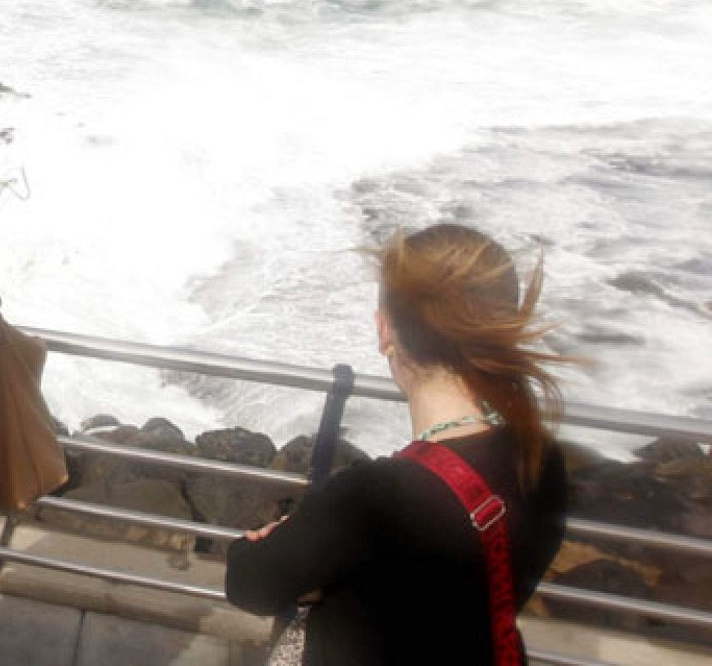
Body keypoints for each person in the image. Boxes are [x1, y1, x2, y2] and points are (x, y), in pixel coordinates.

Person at [225, 224, 569, 666]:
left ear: (384, 330)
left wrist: (287, 550)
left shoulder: (377, 497)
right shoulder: (540, 459)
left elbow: (249, 584)